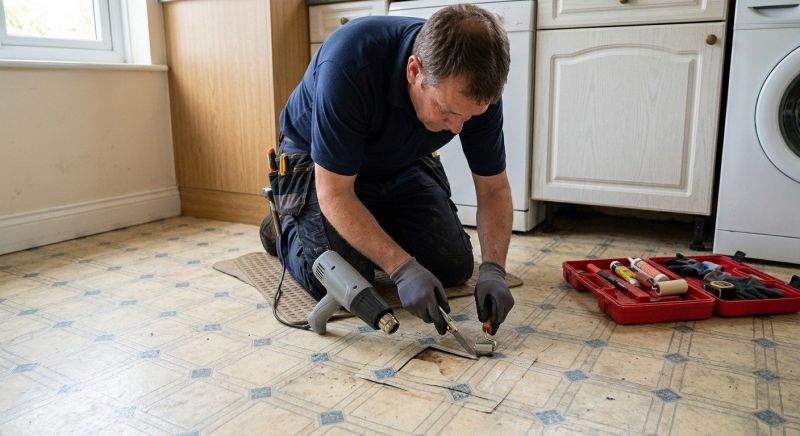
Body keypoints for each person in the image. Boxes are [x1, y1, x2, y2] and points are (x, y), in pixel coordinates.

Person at [261, 4, 514, 336]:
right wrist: (401, 267)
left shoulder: (475, 91)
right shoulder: (349, 64)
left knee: (454, 266)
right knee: (344, 280)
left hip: (397, 157)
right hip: (318, 162)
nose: (456, 128)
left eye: (469, 117)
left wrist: (495, 269)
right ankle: (282, 228)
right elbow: (335, 192)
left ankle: (368, 219)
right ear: (414, 70)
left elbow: (493, 189)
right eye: (445, 110)